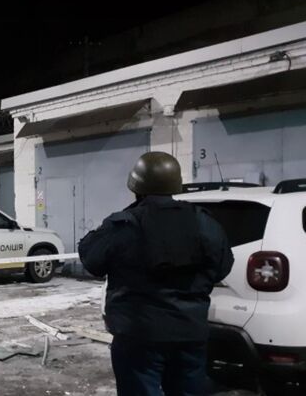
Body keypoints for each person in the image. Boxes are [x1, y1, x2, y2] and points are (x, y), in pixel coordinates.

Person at [78, 151, 234, 396]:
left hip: (138, 336)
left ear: (135, 186)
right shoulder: (203, 222)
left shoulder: (123, 225)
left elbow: (92, 261)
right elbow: (223, 267)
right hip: (189, 332)